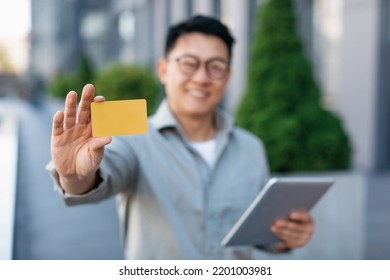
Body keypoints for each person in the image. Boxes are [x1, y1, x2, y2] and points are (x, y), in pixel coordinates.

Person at [46, 15, 314, 259]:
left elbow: (257, 231)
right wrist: (74, 176)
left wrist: (284, 237)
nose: (201, 77)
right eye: (189, 64)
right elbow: (98, 178)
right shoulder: (135, 140)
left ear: (228, 76)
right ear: (163, 70)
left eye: (216, 67)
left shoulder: (250, 147)